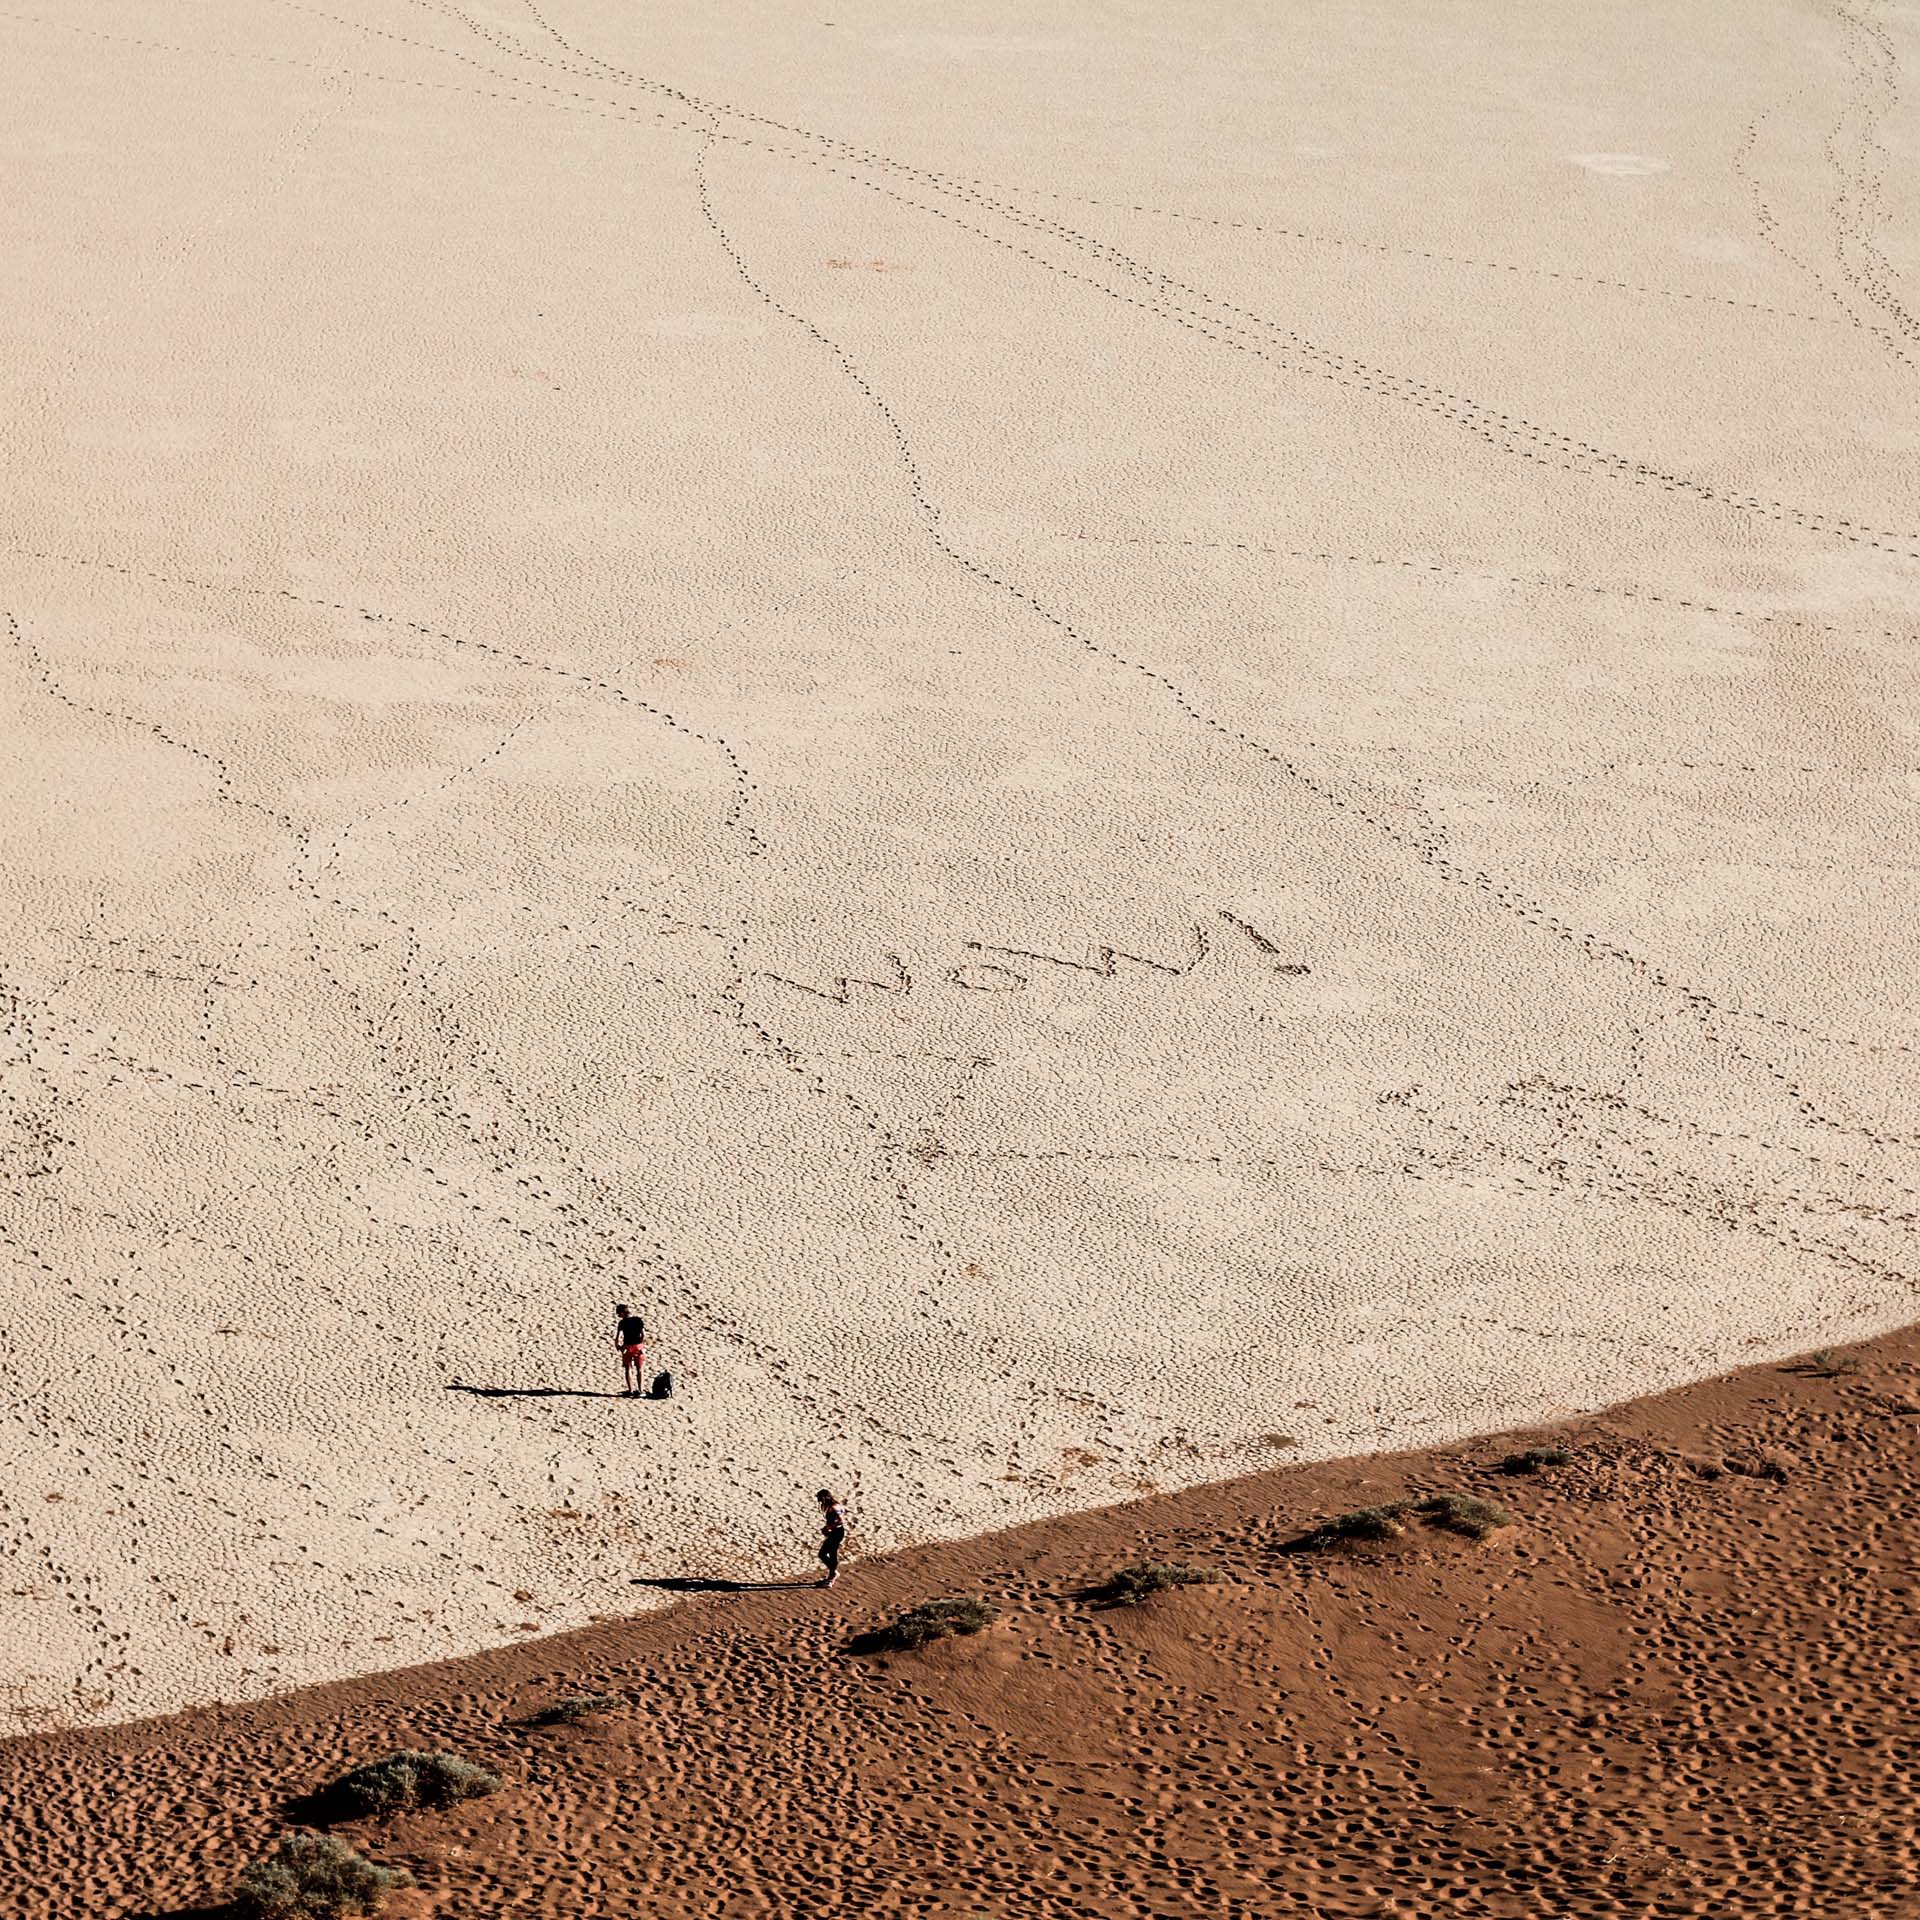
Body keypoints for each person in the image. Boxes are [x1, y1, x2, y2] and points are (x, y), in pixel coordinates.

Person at [613, 1303, 647, 1397]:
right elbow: (643, 1335)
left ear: (622, 1313)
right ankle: (641, 1390)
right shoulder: (638, 1320)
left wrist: (618, 1346)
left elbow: (618, 1337)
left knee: (628, 1368)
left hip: (627, 1347)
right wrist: (641, 1344)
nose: (618, 1316)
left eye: (619, 1314)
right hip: (638, 1346)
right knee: (640, 1368)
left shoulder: (622, 1323)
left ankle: (630, 1390)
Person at [816, 1489, 847, 1589]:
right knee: (832, 1554)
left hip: (836, 1533)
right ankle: (831, 1576)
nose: (820, 1502)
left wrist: (829, 1527)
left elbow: (841, 1520)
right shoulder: (837, 1504)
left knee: (823, 1554)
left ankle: (833, 1575)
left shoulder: (833, 1507)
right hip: (838, 1532)